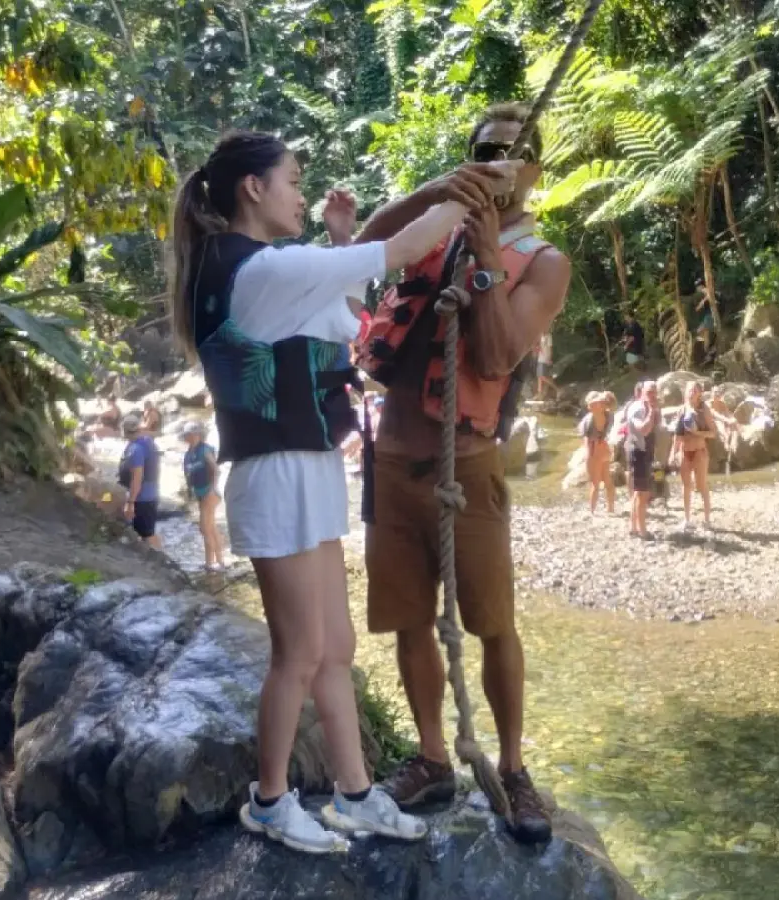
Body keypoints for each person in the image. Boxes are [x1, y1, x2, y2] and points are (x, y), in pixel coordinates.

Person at [169, 129, 514, 851]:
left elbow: (340, 314)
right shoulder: (258, 269)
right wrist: (473, 187)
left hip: (308, 465)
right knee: (297, 653)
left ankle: (356, 795)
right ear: (252, 189)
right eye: (292, 180)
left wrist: (340, 237)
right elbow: (401, 250)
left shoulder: (259, 268)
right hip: (275, 472)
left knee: (336, 646)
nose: (302, 192)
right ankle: (269, 800)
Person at [357, 103, 571, 845]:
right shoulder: (432, 231)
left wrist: (483, 262)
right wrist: (430, 195)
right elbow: (362, 248)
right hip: (392, 460)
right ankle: (431, 756)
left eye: (509, 153)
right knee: (408, 619)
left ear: (532, 167)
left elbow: (495, 357)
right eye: (483, 150)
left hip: (467, 466)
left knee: (492, 624)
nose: (495, 163)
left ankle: (512, 767)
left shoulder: (542, 260)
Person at [671, 381, 716, 531]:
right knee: (686, 486)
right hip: (685, 451)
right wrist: (673, 452)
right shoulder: (682, 410)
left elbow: (713, 433)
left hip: (699, 451)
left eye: (695, 390)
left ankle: (707, 519)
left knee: (701, 484)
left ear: (699, 394)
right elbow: (677, 435)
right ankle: (687, 519)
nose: (691, 392)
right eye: (689, 389)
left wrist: (698, 433)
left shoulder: (704, 410)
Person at [182, 420, 226, 570]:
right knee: (210, 527)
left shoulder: (204, 450)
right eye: (186, 435)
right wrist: (189, 492)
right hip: (199, 492)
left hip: (209, 491)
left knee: (204, 527)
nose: (188, 437)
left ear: (198, 435)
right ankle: (219, 562)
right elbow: (188, 474)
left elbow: (216, 470)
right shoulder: (188, 453)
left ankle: (211, 563)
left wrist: (212, 488)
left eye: (190, 434)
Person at [118, 414, 163, 550]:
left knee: (146, 534)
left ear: (125, 431)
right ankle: (159, 560)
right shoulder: (148, 442)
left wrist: (130, 502)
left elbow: (137, 477)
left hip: (142, 498)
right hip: (152, 494)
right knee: (147, 531)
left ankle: (162, 563)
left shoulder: (136, 449)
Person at [624, 381, 660, 539]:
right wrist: (652, 412)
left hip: (645, 452)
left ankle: (633, 527)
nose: (652, 395)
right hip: (638, 452)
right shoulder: (638, 409)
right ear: (642, 393)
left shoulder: (649, 408)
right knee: (642, 492)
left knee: (639, 492)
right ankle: (643, 531)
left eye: (654, 392)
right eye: (649, 392)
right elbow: (644, 430)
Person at [579, 391, 615, 515]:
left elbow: (586, 439)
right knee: (603, 481)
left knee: (598, 482)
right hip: (600, 449)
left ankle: (595, 511)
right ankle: (605, 509)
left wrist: (588, 455)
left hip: (597, 450)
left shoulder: (594, 418)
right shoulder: (607, 416)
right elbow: (587, 441)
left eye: (599, 402)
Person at [535, 332, 557, 400]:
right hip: (540, 359)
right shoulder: (540, 335)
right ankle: (539, 394)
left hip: (545, 359)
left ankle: (556, 388)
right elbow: (538, 347)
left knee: (542, 376)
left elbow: (550, 348)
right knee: (539, 377)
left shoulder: (548, 336)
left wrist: (549, 359)